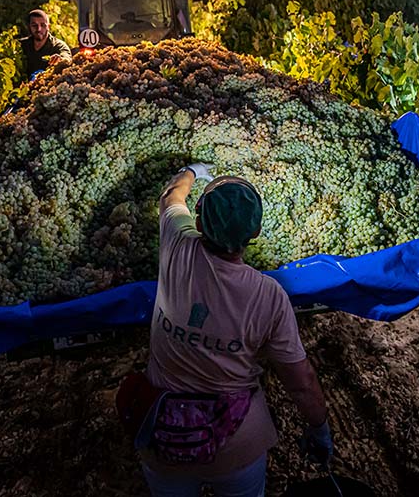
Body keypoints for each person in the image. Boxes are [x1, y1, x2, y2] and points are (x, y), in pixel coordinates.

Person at [137, 163, 332, 497]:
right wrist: (321, 430)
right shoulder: (268, 295)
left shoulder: (176, 244)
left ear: (198, 224)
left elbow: (171, 196)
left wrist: (192, 170)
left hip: (163, 436)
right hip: (236, 443)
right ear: (254, 233)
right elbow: (302, 383)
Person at [19, 8, 70, 78]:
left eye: (43, 25)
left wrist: (61, 59)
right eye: (34, 25)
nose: (39, 29)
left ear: (48, 27)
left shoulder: (58, 45)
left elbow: (66, 57)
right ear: (29, 27)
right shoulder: (21, 45)